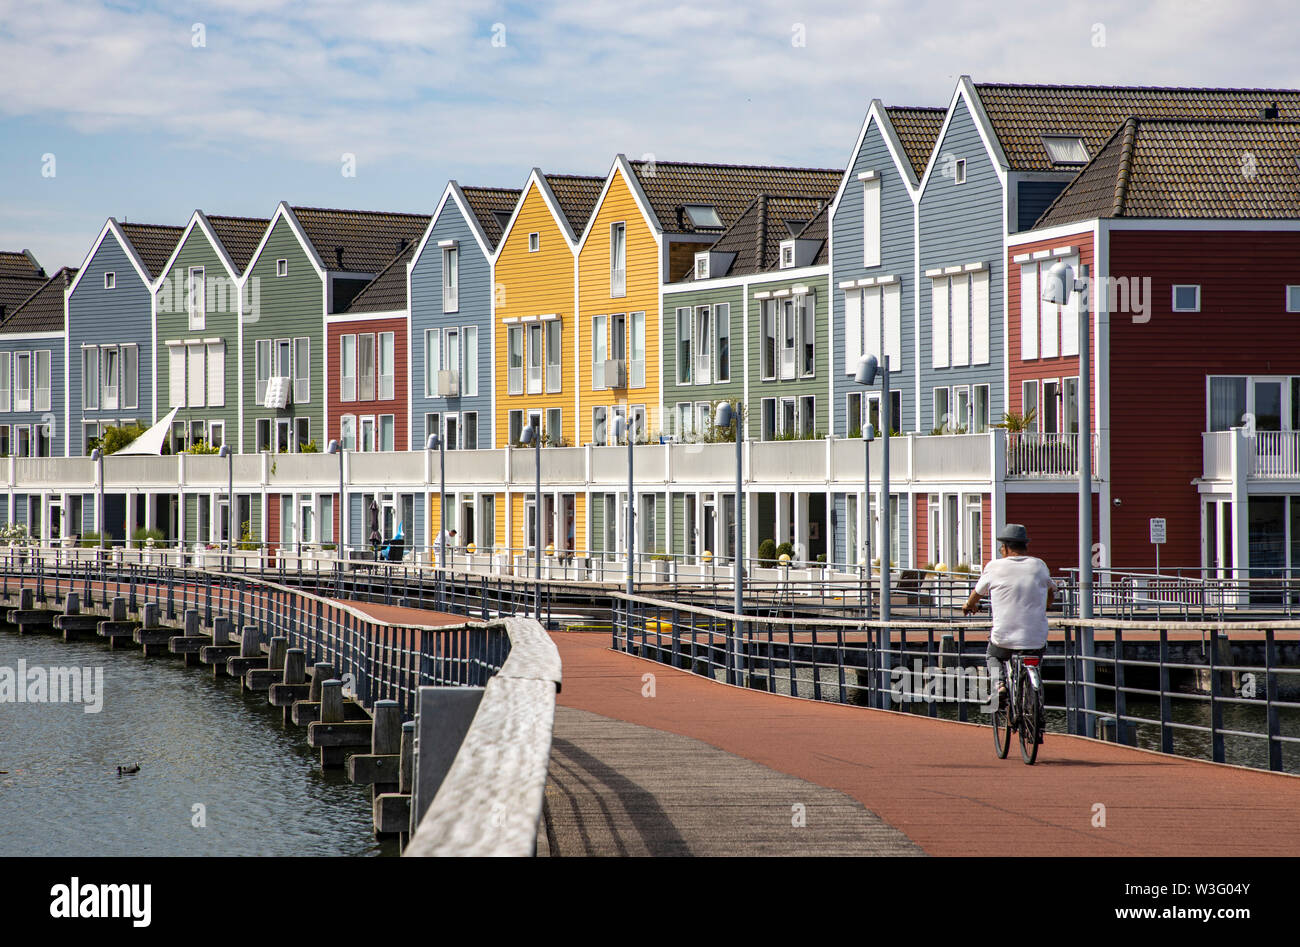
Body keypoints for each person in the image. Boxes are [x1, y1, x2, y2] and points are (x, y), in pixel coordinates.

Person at [962, 524, 1056, 707]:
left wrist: (968, 605)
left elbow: (976, 594)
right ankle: (1033, 691)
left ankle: (1000, 686)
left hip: (1004, 637)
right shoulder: (1039, 565)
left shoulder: (995, 567)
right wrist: (1044, 606)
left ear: (1004, 548)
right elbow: (1052, 590)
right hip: (1035, 637)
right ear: (1025, 546)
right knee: (1035, 657)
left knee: (993, 655)